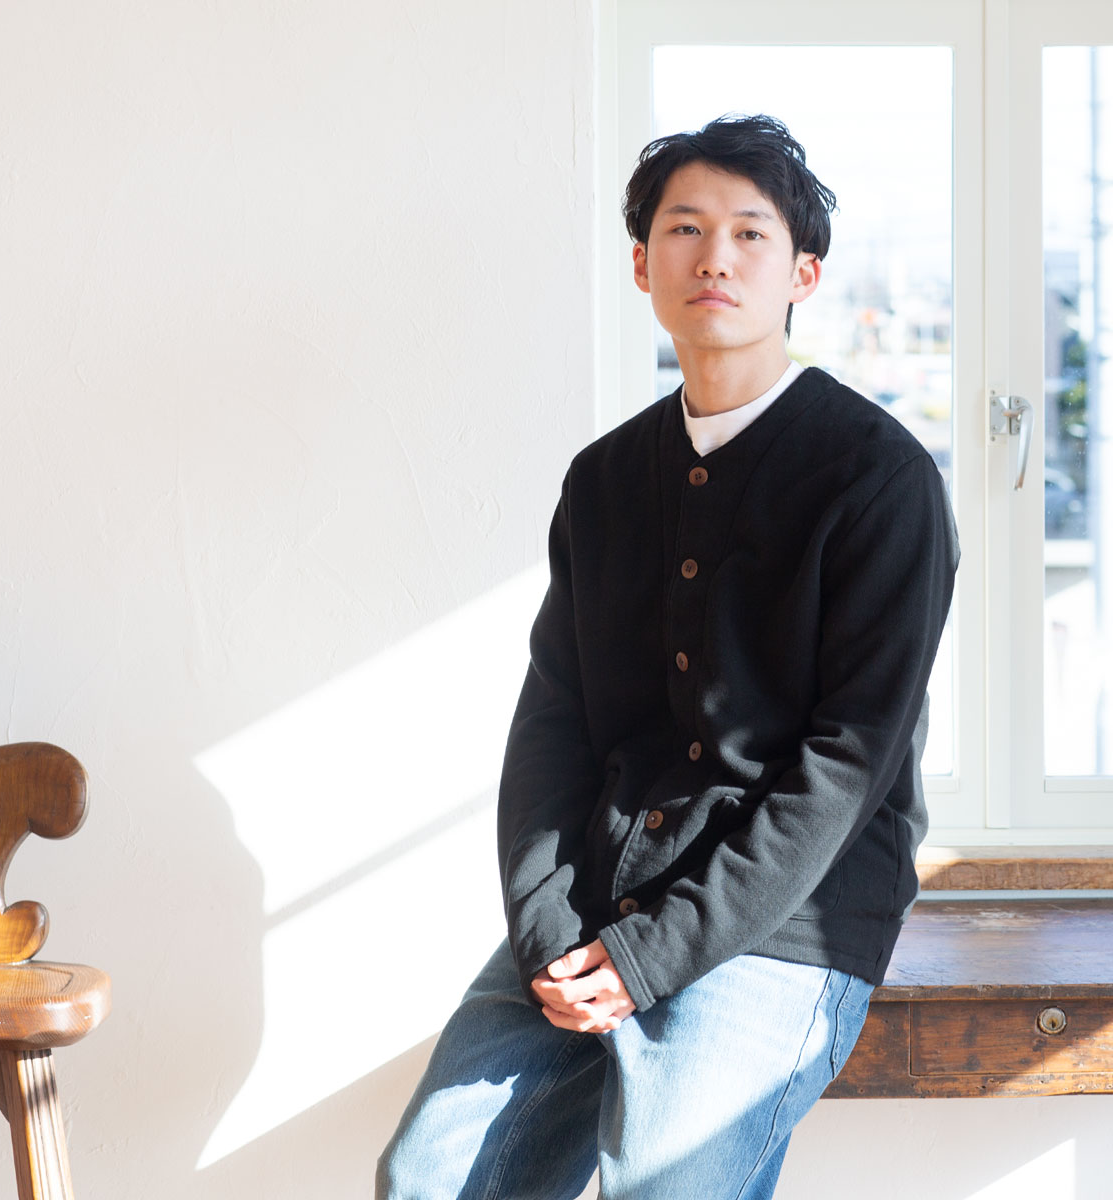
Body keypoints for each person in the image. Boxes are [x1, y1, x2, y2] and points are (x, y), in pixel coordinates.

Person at [377, 113, 958, 1200]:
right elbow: (554, 720)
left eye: (751, 232)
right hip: (594, 904)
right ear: (644, 264)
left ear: (804, 273)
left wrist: (653, 955)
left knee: (666, 1187)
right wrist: (547, 929)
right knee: (428, 1178)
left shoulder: (880, 479)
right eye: (685, 229)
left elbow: (846, 767)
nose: (716, 257)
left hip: (787, 922)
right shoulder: (604, 481)